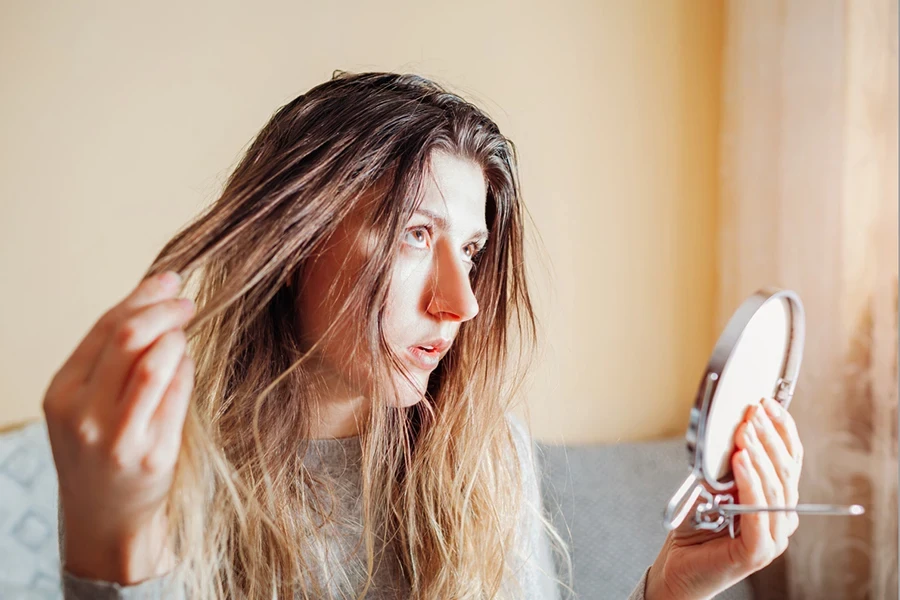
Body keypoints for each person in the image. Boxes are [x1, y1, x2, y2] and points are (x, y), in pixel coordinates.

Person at [43, 71, 804, 599]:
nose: (461, 303)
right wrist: (113, 553)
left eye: (470, 251)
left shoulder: (482, 454)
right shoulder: (159, 469)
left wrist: (670, 591)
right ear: (294, 241)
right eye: (413, 234)